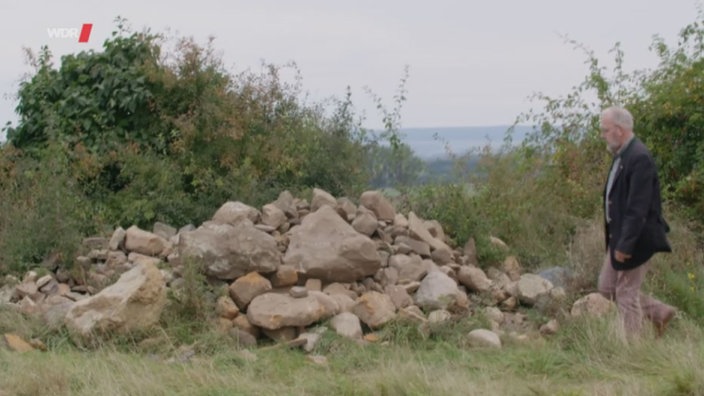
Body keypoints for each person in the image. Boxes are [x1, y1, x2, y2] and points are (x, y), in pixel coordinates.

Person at [597, 106, 676, 338]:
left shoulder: (639, 158)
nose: (602, 134)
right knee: (606, 287)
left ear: (619, 130)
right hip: (620, 236)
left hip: (635, 238)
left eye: (605, 129)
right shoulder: (623, 155)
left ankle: (633, 349)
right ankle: (659, 311)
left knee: (626, 293)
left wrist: (625, 246)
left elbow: (637, 209)